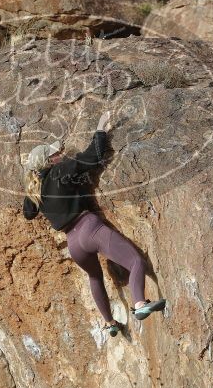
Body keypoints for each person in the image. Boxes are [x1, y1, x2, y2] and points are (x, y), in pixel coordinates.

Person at [23, 110, 166, 336]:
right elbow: (93, 156)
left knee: (94, 277)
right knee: (136, 261)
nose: (60, 153)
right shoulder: (61, 170)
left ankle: (109, 322)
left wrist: (32, 179)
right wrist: (100, 128)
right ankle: (139, 304)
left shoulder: (36, 191)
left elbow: (28, 213)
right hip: (89, 228)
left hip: (73, 244)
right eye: (55, 153)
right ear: (50, 161)